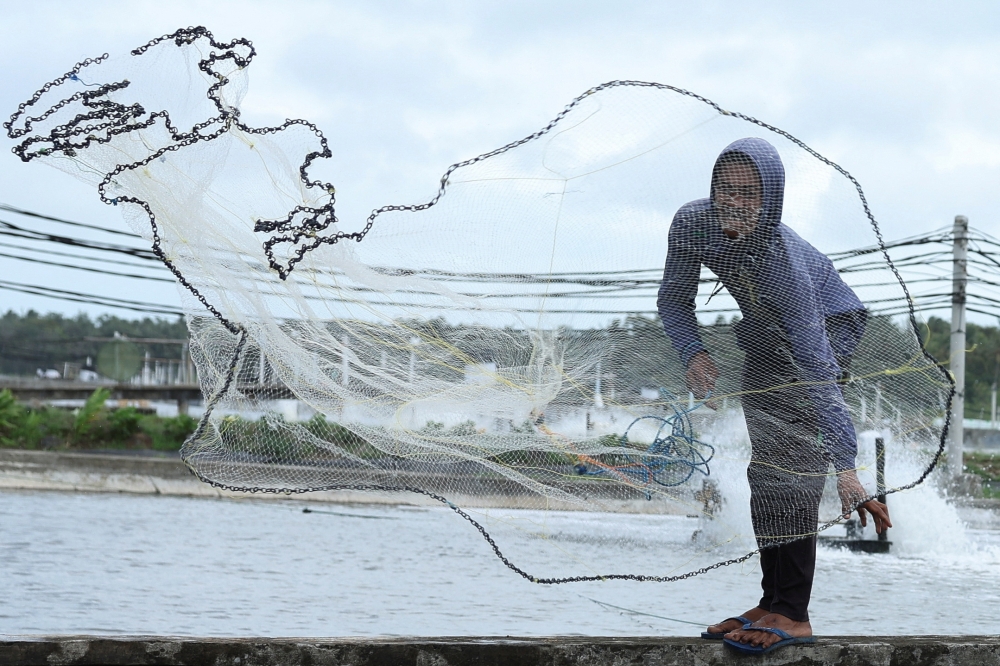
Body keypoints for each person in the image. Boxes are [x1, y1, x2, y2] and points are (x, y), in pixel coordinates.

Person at [656, 137, 891, 654]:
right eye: (725, 189)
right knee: (765, 470)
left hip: (826, 332)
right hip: (762, 329)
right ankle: (772, 600)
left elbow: (818, 369)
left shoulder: (783, 263)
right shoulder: (691, 224)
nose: (733, 203)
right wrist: (693, 352)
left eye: (749, 194)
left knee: (796, 465)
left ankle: (795, 612)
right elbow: (673, 300)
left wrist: (846, 468)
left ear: (772, 202)